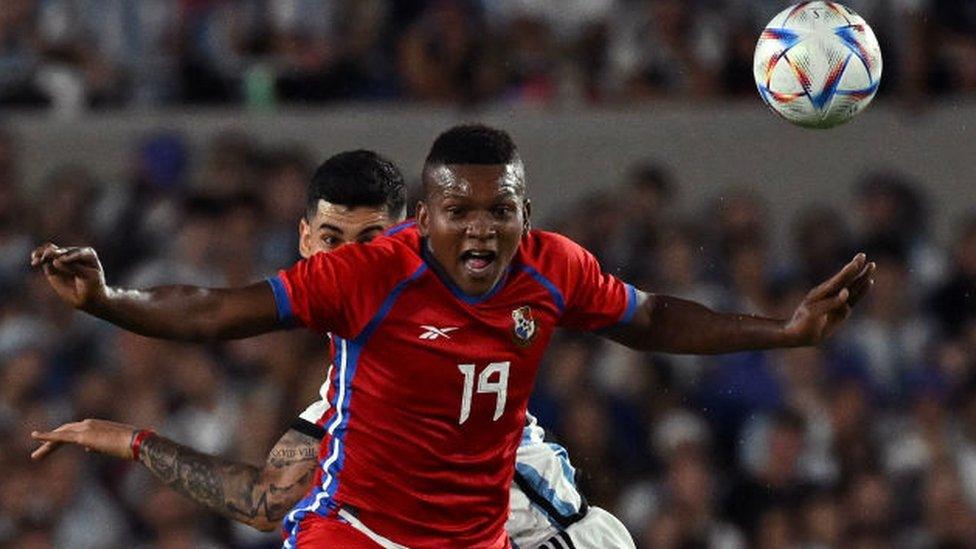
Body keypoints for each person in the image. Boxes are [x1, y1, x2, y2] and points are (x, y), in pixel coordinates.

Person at [30, 124, 875, 548]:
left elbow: (650, 317)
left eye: (497, 211)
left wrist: (787, 330)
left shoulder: (553, 268)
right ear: (424, 220)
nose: (480, 231)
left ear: (524, 215)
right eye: (459, 213)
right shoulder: (372, 276)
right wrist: (109, 299)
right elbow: (215, 311)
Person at [30, 147, 634, 548]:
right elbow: (268, 500)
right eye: (331, 240)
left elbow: (211, 314)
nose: (348, 260)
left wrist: (107, 301)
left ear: (408, 238)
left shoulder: (449, 316)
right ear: (304, 242)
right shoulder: (348, 390)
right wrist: (133, 441)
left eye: (370, 241)